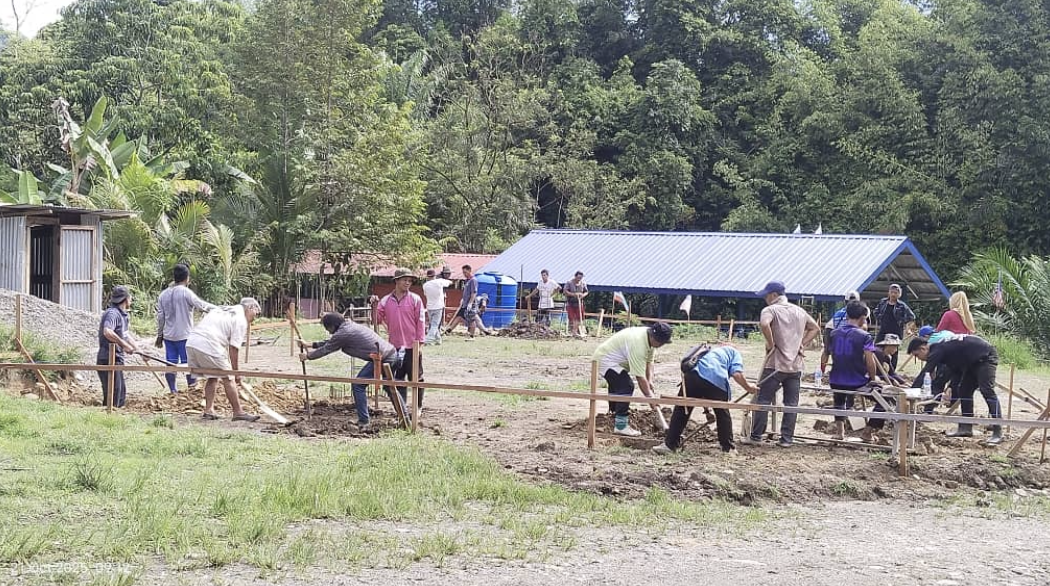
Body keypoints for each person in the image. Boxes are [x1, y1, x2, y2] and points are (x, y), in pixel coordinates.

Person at [742, 281, 820, 448]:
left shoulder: (770, 310)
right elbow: (815, 327)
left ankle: (756, 436)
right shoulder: (800, 311)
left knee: (762, 399)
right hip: (795, 366)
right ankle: (786, 439)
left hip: (774, 364)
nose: (765, 299)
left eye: (766, 295)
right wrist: (802, 345)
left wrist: (771, 343)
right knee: (791, 403)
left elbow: (764, 324)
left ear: (774, 295)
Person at [653, 344, 757, 454]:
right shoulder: (734, 352)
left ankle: (670, 445)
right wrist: (749, 387)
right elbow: (736, 374)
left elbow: (702, 382)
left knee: (682, 408)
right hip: (716, 378)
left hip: (692, 375)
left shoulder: (709, 351)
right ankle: (728, 448)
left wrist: (707, 411)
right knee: (722, 411)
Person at [300, 312, 397, 429]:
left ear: (333, 325)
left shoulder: (343, 333)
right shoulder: (347, 327)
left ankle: (364, 421)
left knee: (358, 385)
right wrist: (310, 345)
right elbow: (332, 342)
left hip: (384, 358)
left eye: (328, 328)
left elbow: (327, 348)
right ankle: (404, 416)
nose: (328, 331)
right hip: (388, 354)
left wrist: (308, 356)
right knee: (389, 387)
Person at [907, 335, 1003, 444]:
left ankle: (998, 431)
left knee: (987, 390)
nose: (918, 358)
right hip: (970, 362)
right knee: (964, 390)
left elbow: (926, 372)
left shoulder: (937, 350)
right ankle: (966, 427)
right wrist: (951, 387)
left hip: (986, 357)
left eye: (917, 355)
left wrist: (910, 392)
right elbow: (955, 371)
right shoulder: (946, 350)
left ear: (923, 348)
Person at [185, 298, 261, 422]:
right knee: (229, 377)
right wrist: (236, 373)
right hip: (208, 343)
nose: (254, 318)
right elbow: (233, 349)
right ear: (250, 308)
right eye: (256, 314)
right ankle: (238, 412)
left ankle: (208, 409)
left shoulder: (223, 309)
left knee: (213, 376)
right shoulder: (240, 319)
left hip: (192, 343)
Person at [592, 322, 672, 437]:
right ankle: (620, 426)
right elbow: (640, 378)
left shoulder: (650, 341)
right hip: (605, 360)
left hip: (614, 361)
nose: (661, 345)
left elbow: (649, 362)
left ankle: (613, 416)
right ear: (654, 337)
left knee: (618, 386)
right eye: (661, 342)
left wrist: (650, 381)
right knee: (626, 386)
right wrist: (651, 399)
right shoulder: (638, 344)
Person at [821, 301, 878, 440]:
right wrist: (873, 378)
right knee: (885, 401)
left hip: (836, 379)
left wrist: (822, 369)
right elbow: (870, 362)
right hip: (857, 381)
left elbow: (825, 355)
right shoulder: (865, 336)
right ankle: (868, 431)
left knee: (839, 402)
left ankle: (840, 433)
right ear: (863, 317)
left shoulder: (833, 333)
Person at [155, 263, 216, 393]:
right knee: (189, 365)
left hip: (168, 336)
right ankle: (191, 390)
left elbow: (160, 317)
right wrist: (220, 309)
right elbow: (202, 305)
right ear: (187, 278)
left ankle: (173, 390)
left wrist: (160, 335)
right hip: (185, 336)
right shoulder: (186, 293)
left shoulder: (163, 294)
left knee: (171, 364)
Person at [374, 268, 426, 412]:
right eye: (404, 280)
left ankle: (418, 408)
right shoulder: (385, 301)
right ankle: (401, 409)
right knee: (398, 378)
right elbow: (377, 319)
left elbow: (420, 322)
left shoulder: (415, 299)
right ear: (396, 281)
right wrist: (374, 305)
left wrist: (419, 343)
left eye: (410, 281)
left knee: (416, 378)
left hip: (412, 345)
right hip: (394, 346)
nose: (407, 283)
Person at [97, 285, 136, 408]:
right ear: (126, 299)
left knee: (120, 394)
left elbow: (126, 335)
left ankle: (113, 419)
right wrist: (124, 345)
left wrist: (138, 350)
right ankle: (108, 421)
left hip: (117, 359)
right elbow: (107, 331)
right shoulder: (112, 314)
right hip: (108, 358)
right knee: (113, 397)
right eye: (130, 297)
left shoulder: (123, 316)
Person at [872, 284, 916, 370]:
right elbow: (875, 312)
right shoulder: (883, 302)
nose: (893, 294)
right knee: (877, 348)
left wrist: (903, 323)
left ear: (899, 294)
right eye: (891, 292)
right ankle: (878, 368)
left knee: (894, 352)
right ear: (888, 292)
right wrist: (879, 318)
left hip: (896, 330)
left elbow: (912, 316)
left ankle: (892, 371)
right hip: (883, 329)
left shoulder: (902, 305)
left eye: (895, 293)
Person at [443, 265, 479, 338]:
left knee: (471, 319)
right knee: (459, 317)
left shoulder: (473, 280)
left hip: (470, 304)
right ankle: (448, 331)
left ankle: (471, 335)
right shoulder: (466, 281)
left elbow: (474, 293)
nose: (464, 274)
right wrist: (463, 299)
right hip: (464, 303)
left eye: (465, 272)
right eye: (463, 272)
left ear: (469, 271)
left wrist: (470, 303)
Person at [422, 267, 452, 345]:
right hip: (438, 306)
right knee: (435, 325)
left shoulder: (425, 285)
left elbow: (425, 294)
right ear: (434, 276)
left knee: (432, 324)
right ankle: (428, 340)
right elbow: (449, 282)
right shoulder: (439, 282)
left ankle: (438, 340)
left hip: (429, 306)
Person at [563, 271, 588, 337]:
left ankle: (575, 332)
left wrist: (582, 295)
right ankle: (573, 332)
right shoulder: (569, 283)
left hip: (579, 303)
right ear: (575, 276)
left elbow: (586, 292)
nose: (580, 279)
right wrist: (574, 294)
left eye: (581, 277)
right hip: (570, 303)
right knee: (572, 318)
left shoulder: (583, 283)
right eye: (579, 277)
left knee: (579, 318)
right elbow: (565, 291)